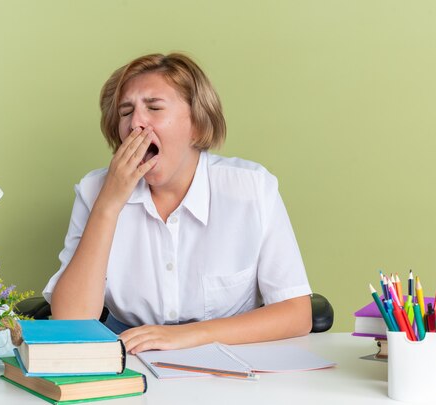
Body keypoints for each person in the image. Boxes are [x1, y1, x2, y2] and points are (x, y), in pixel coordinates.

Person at [43, 53, 312, 354]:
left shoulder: (251, 189)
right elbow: (71, 322)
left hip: (234, 355)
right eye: (125, 112)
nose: (136, 123)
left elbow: (297, 313)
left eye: (154, 108)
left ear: (196, 124)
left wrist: (187, 336)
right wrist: (107, 206)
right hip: (131, 356)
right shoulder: (95, 191)